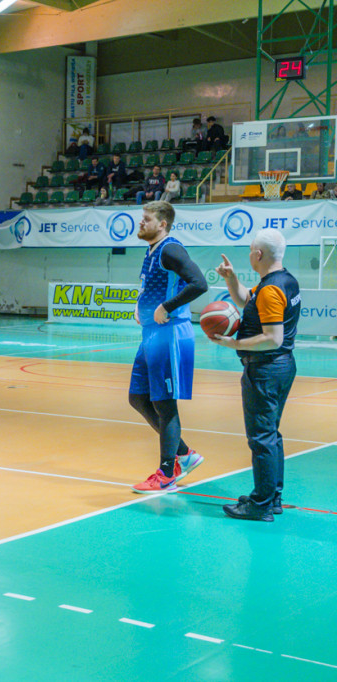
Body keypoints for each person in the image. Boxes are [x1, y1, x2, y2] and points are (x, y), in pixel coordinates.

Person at [212, 231, 300, 522]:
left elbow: (273, 338)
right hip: (280, 366)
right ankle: (272, 496)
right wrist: (231, 278)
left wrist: (233, 343)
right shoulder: (282, 281)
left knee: (261, 437)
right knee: (271, 435)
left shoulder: (271, 290)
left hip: (266, 368)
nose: (249, 254)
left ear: (258, 254)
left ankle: (260, 504)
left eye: (250, 250)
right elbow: (245, 300)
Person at [128, 201, 208, 493]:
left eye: (146, 219)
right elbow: (150, 287)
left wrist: (167, 306)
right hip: (151, 333)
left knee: (164, 403)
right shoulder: (150, 251)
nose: (141, 223)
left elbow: (199, 283)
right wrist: (141, 308)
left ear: (162, 224)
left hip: (170, 333)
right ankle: (184, 454)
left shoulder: (171, 249)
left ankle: (167, 473)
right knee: (138, 398)